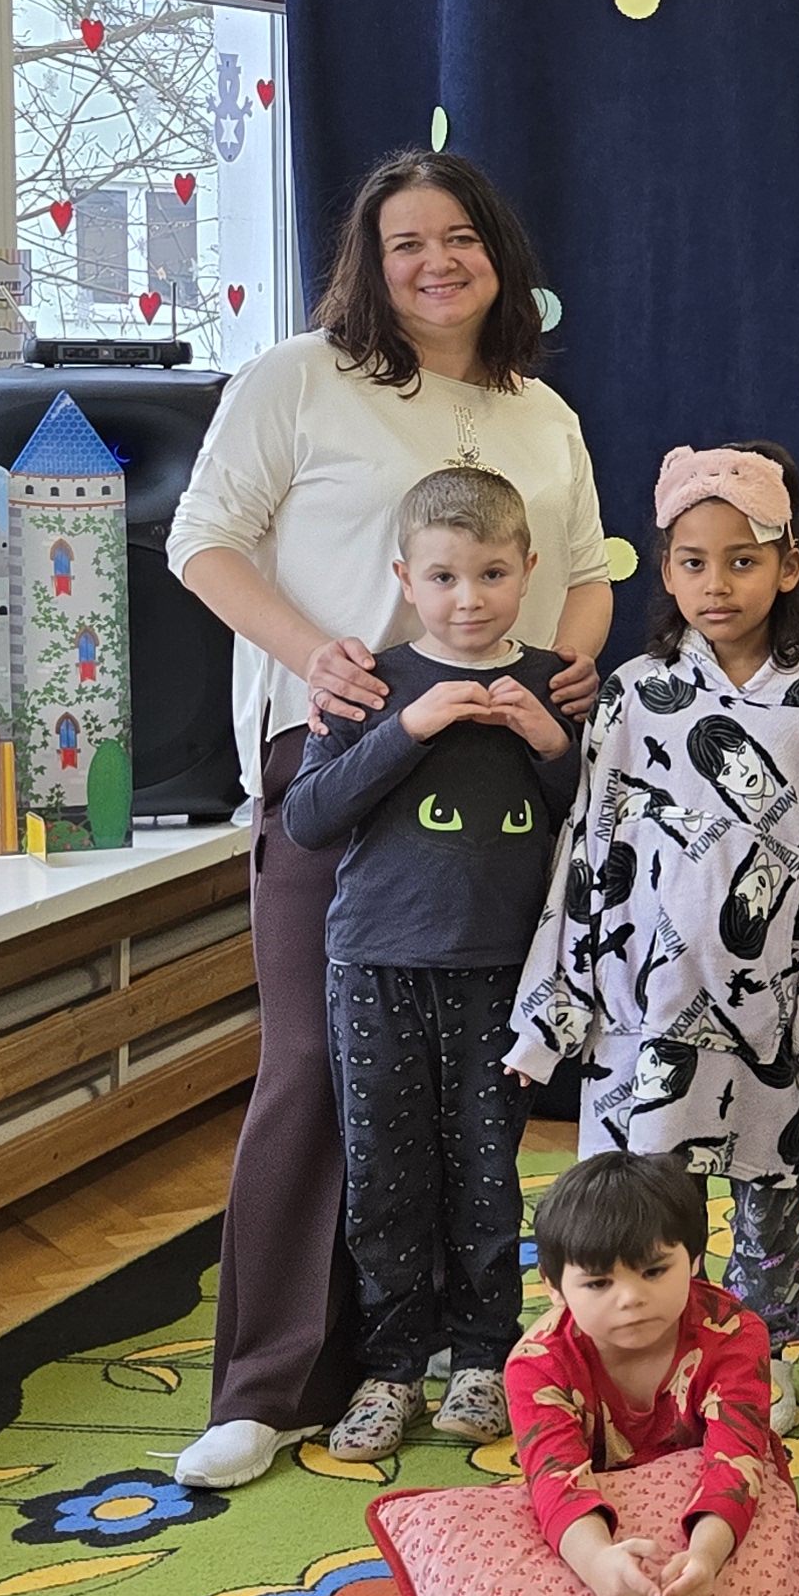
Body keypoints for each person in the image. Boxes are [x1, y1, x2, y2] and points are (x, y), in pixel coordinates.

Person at [169, 149, 608, 1488]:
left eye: (458, 237)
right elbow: (202, 540)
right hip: (345, 757)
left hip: (504, 782)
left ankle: (445, 1348)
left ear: (497, 254)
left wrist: (575, 662)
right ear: (368, 261)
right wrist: (314, 654)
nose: (434, 262)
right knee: (314, 1060)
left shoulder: (541, 412)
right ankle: (269, 1386)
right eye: (405, 241)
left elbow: (584, 570)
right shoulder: (297, 378)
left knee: (481, 1090)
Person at [508, 442, 799, 1398]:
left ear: (787, 565)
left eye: (742, 560)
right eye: (692, 562)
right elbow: (590, 848)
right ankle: (645, 1365)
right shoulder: (635, 692)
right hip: (649, 1000)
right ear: (666, 569)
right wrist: (558, 1007)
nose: (716, 584)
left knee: (774, 1197)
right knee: (644, 1206)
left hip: (777, 1005)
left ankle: (756, 1366)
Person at [274, 465, 579, 1460]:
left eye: (492, 575)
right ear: (406, 578)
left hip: (504, 973)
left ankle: (484, 1355)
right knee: (386, 1173)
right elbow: (308, 819)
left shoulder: (557, 684)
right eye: (444, 577)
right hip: (376, 966)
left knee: (488, 1169)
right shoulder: (368, 685)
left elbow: (606, 819)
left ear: (528, 570)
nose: (468, 599)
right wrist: (409, 727)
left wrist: (552, 743)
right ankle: (393, 1365)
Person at [505, 1151, 799, 1596]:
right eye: (598, 1282)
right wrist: (598, 1565)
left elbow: (736, 1463)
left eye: (654, 1271)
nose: (630, 1298)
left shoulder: (734, 1334)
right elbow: (556, 1483)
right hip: (597, 1529)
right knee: (512, 1580)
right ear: (553, 1287)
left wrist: (704, 1559)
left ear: (695, 1260)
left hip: (714, 1523)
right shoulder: (538, 1363)